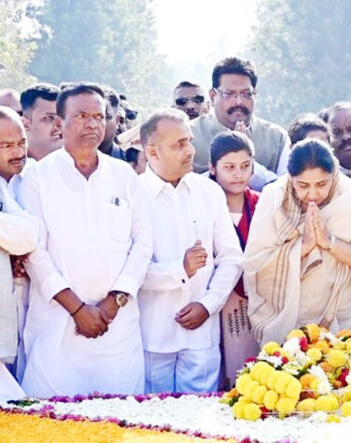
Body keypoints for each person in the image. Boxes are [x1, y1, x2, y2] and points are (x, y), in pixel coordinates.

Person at [18, 83, 153, 397]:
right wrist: (78, 310)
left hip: (117, 327)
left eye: (98, 116)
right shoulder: (38, 177)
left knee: (121, 417)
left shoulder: (124, 175)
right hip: (56, 328)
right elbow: (35, 252)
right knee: (48, 417)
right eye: (81, 116)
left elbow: (143, 244)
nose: (92, 124)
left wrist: (113, 302)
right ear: (59, 123)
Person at [243, 139, 351, 344]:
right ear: (290, 177)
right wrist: (303, 247)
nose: (312, 194)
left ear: (333, 174)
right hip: (292, 317)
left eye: (321, 184)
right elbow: (255, 265)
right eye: (303, 185)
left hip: (345, 313)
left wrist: (328, 242)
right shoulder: (273, 197)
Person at [138, 109, 242, 393]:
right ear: (152, 152)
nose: (190, 151)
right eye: (179, 144)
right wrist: (179, 270)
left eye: (190, 141)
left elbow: (232, 258)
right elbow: (129, 269)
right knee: (151, 418)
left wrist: (208, 305)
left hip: (201, 335)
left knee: (200, 417)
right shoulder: (133, 195)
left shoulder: (208, 191)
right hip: (152, 334)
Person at [208, 131, 261, 389]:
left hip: (256, 297)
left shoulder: (263, 204)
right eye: (229, 167)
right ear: (212, 168)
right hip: (217, 297)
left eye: (245, 166)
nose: (238, 174)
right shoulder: (203, 204)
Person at [190, 57, 290, 175]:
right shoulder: (190, 136)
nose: (239, 101)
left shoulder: (276, 138)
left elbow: (286, 183)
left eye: (246, 94)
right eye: (228, 94)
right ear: (212, 96)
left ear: (255, 94)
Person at [0, 107, 38, 399]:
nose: (17, 152)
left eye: (21, 142)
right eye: (5, 145)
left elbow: (26, 237)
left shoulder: (36, 174)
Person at [20, 83, 61, 163]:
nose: (60, 124)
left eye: (63, 117)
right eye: (49, 118)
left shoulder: (80, 165)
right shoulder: (8, 167)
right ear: (25, 124)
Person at [99, 87, 126, 161]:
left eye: (104, 117)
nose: (95, 123)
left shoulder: (132, 163)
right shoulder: (69, 161)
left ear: (117, 121)